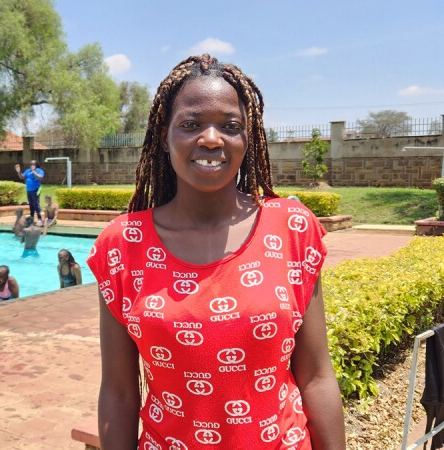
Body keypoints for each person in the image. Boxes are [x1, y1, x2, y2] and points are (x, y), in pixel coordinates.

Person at [86, 54, 345, 450]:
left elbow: (316, 376)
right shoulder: (122, 245)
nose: (211, 138)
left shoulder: (292, 228)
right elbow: (119, 392)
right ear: (163, 135)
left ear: (248, 138)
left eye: (230, 126)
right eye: (190, 124)